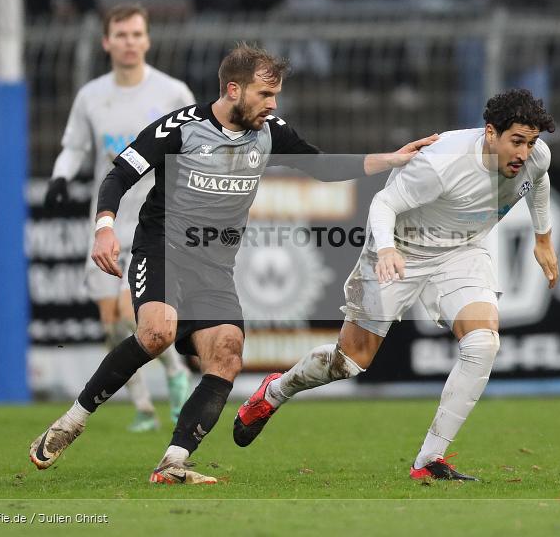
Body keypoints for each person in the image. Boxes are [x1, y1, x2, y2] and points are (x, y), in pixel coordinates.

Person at [29, 43, 438, 485]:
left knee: (226, 353)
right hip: (162, 248)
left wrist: (392, 159)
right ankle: (72, 420)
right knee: (156, 333)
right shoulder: (180, 128)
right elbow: (119, 175)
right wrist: (104, 228)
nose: (273, 104)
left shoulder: (269, 130)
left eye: (275, 95)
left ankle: (173, 462)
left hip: (214, 265)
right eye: (265, 95)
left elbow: (321, 165)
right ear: (233, 89)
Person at [233, 88, 558, 481]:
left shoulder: (536, 158)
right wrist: (386, 250)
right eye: (517, 141)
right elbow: (384, 204)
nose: (524, 153)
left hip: (461, 251)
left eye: (532, 142)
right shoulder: (443, 162)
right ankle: (275, 392)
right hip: (399, 247)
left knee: (483, 343)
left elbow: (538, 184)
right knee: (349, 362)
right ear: (490, 133)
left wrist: (542, 239)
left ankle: (429, 461)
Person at [43, 4, 195, 433]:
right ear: (106, 42)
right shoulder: (91, 96)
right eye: (121, 35)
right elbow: (75, 146)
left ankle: (176, 373)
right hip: (108, 222)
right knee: (110, 321)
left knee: (133, 312)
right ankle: (144, 406)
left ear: (147, 40)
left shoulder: (171, 93)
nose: (129, 42)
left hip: (154, 220)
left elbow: (198, 142)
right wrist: (60, 177)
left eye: (136, 34)